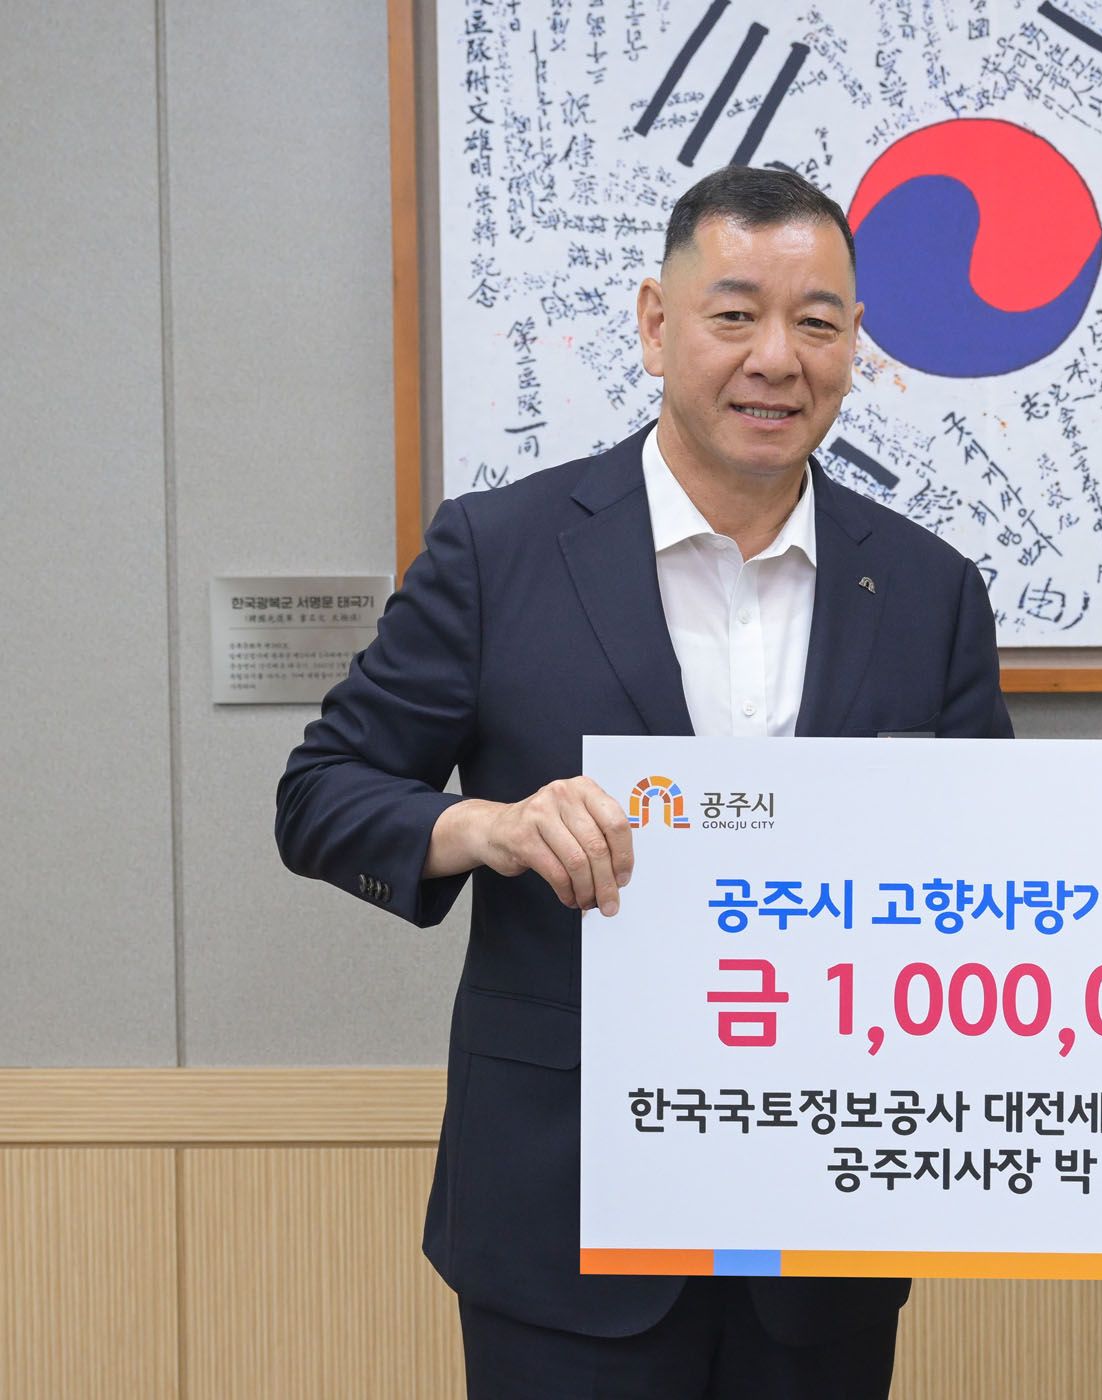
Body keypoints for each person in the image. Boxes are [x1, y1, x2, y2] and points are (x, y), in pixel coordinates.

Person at [277, 165, 1011, 1398]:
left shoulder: (930, 588)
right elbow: (321, 791)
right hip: (563, 1221)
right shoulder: (499, 550)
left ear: (855, 344)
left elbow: (993, 862)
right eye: (735, 315)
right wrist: (486, 824)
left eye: (816, 322)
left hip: (818, 1227)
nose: (776, 358)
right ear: (656, 324)